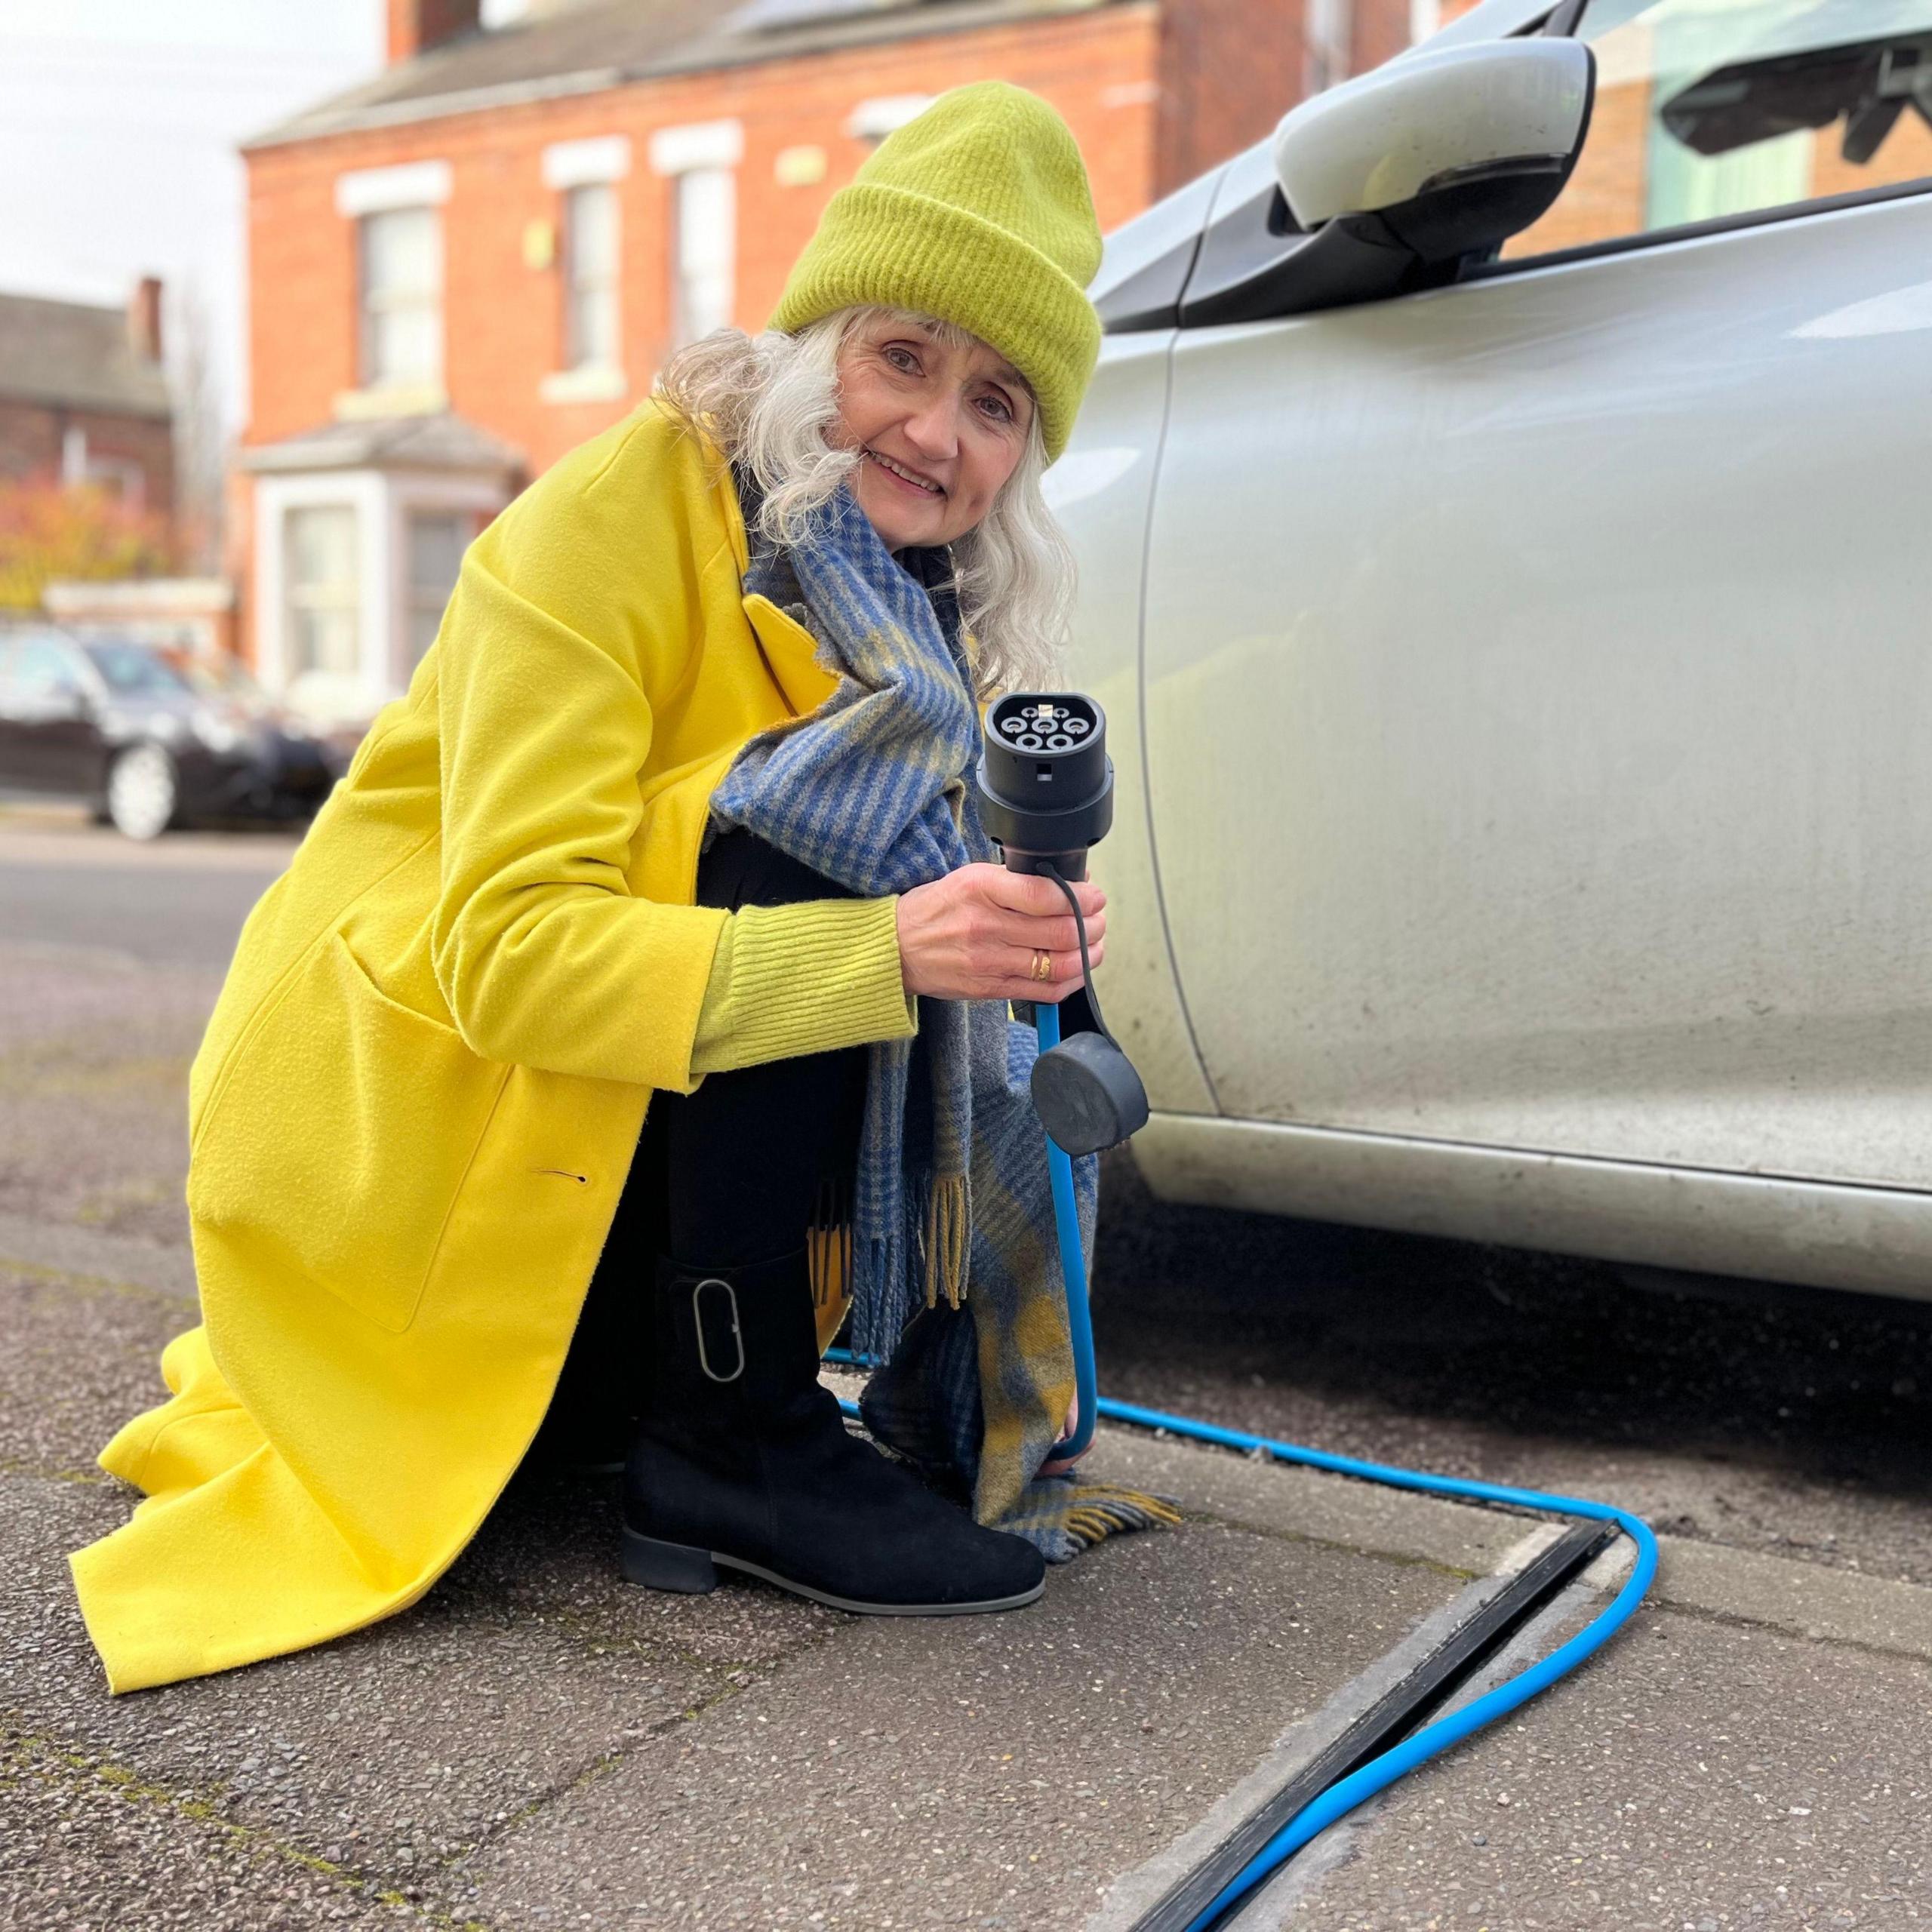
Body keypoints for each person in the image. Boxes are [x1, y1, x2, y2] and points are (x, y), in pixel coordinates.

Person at [69, 81, 1172, 1697]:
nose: (939, 431)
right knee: (804, 828)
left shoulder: (903, 620)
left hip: (573, 1176)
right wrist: (889, 943)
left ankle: (702, 1392)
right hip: (408, 1128)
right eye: (904, 359)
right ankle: (735, 1433)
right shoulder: (606, 517)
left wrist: (1002, 938)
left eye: (998, 401)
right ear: (818, 352)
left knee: (873, 859)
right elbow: (509, 954)